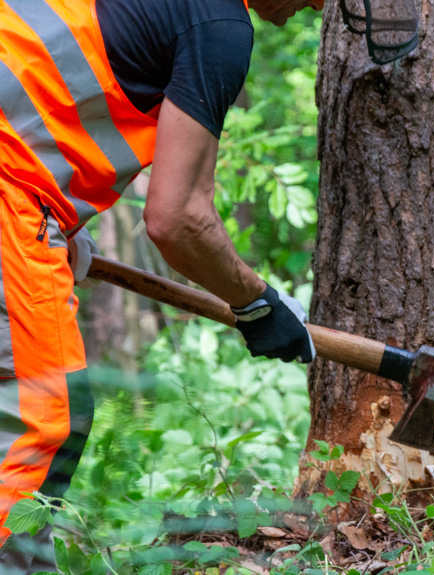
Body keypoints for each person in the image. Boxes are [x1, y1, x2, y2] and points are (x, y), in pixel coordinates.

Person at [0, 0, 320, 570]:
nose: (319, 6)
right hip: (9, 192)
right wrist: (256, 303)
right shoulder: (218, 25)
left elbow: (44, 80)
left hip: (20, 183)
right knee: (46, 420)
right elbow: (177, 219)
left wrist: (61, 227)